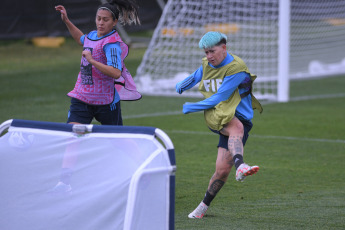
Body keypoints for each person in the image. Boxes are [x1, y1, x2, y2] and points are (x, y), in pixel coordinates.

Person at [50, 0, 141, 193]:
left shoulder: (113, 45)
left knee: (118, 139)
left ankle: (145, 165)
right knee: (73, 136)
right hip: (81, 97)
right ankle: (64, 183)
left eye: (105, 20)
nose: (100, 23)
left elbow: (116, 73)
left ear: (114, 22)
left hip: (106, 102)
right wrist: (67, 20)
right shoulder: (92, 36)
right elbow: (82, 39)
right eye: (98, 19)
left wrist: (91, 61)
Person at [175, 31, 263, 218]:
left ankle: (202, 208)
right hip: (217, 113)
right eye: (206, 52)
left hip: (237, 115)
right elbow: (199, 75)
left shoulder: (236, 68)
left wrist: (192, 107)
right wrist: (183, 84)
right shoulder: (208, 63)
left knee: (222, 171)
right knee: (236, 127)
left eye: (212, 52)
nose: (208, 56)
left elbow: (221, 95)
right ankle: (241, 165)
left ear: (224, 48)